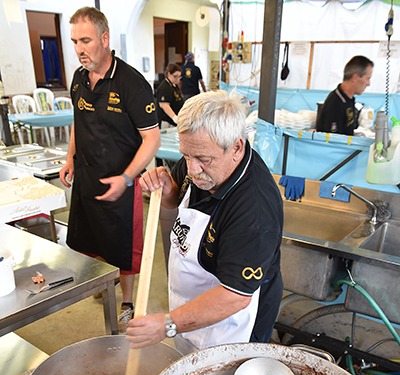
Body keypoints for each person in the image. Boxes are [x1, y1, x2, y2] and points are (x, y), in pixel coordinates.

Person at [126, 90, 283, 356]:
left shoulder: (255, 209)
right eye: (186, 156)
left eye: (203, 160)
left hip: (234, 324)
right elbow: (178, 196)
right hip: (189, 309)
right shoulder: (198, 160)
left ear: (236, 148)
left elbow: (234, 296)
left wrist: (168, 324)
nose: (191, 169)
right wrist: (166, 190)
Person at [59, 6, 160, 330]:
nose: (79, 49)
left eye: (85, 40)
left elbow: (152, 139)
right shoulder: (78, 79)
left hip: (121, 180)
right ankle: (107, 280)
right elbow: (79, 120)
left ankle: (127, 300)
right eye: (74, 41)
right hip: (87, 176)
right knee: (92, 237)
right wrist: (69, 158)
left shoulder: (131, 83)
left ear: (104, 38)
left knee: (123, 245)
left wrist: (127, 178)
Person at [316, 55, 374, 135]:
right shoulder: (335, 105)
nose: (368, 84)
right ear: (355, 77)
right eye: (367, 78)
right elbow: (333, 141)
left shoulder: (349, 99)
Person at [156, 63, 184, 128]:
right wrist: (174, 117)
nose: (177, 79)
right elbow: (164, 105)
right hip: (167, 121)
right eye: (175, 76)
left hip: (175, 121)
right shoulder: (164, 87)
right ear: (169, 74)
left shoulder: (174, 85)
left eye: (179, 76)